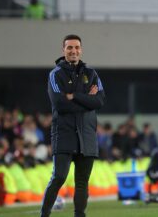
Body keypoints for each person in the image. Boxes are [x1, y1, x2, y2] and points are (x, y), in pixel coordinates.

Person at [41, 34, 106, 217]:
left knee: (82, 181)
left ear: (81, 50)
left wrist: (75, 96)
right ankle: (44, 214)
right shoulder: (55, 74)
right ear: (63, 51)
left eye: (76, 47)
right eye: (69, 47)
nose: (73, 51)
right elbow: (60, 104)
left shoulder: (91, 74)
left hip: (86, 134)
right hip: (64, 133)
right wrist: (87, 97)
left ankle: (79, 215)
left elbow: (100, 101)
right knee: (59, 177)